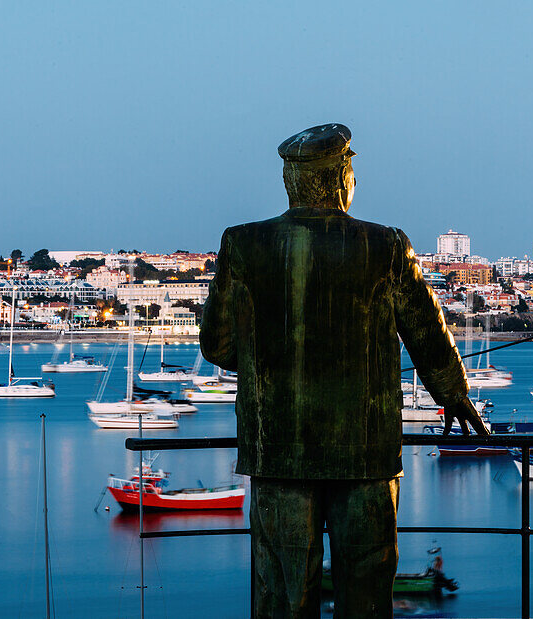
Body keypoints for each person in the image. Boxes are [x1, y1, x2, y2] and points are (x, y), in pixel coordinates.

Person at [201, 123, 487, 618]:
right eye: (351, 169)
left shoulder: (243, 244)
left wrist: (274, 362)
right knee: (366, 587)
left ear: (292, 181)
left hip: (278, 452)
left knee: (283, 593)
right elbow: (427, 336)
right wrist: (453, 394)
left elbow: (218, 345)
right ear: (339, 178)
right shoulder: (387, 246)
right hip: (365, 454)